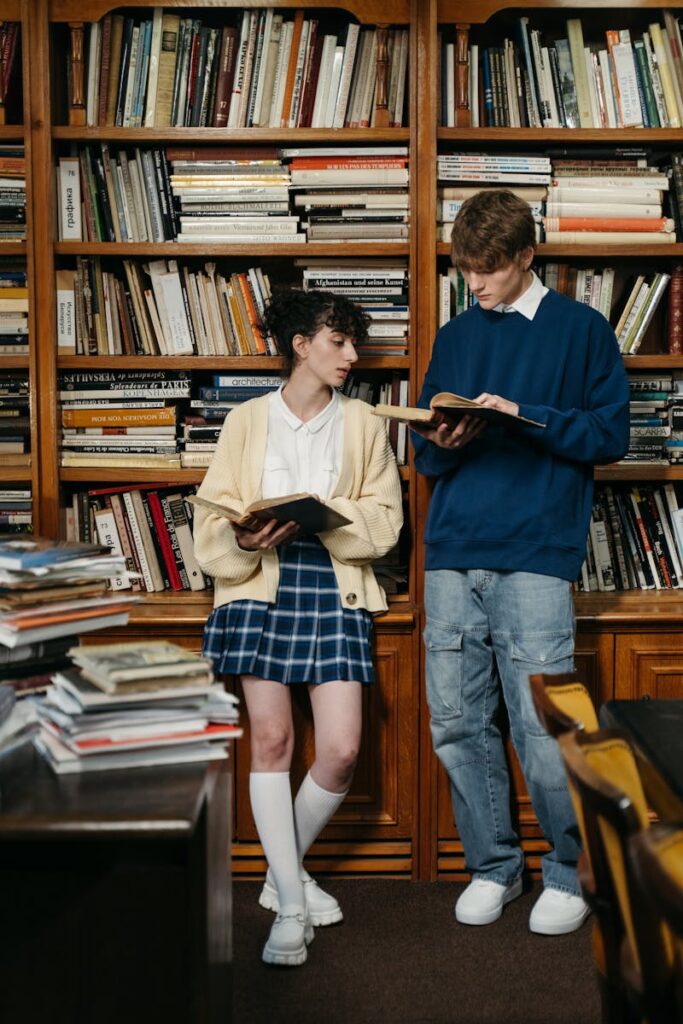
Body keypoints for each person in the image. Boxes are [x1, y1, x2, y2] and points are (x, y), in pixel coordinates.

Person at [411, 189, 630, 935]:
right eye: (466, 268)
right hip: (452, 550)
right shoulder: (455, 332)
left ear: (526, 257)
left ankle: (566, 872)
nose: (476, 283)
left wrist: (522, 417)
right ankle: (493, 867)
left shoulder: (581, 330)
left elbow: (609, 436)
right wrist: (436, 439)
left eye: (490, 269)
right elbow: (421, 448)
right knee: (456, 721)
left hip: (537, 548)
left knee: (542, 727)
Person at [193, 288, 403, 967]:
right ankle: (288, 904)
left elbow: (385, 524)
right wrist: (248, 542)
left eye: (353, 345)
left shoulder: (366, 422)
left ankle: (282, 872)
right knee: (274, 740)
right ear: (300, 345)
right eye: (337, 342)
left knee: (340, 749)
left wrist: (327, 511)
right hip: (257, 585)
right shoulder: (246, 421)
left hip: (332, 583)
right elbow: (210, 523)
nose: (350, 356)